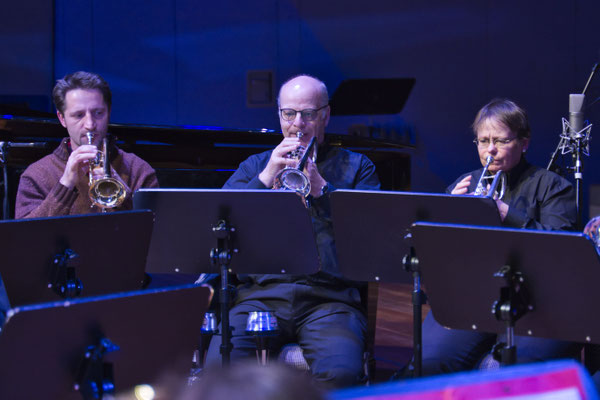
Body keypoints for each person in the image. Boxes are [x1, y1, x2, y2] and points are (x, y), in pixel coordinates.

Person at [205, 74, 380, 388]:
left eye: (308, 114)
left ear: (325, 115)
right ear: (279, 115)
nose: (298, 124)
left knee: (341, 374)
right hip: (261, 297)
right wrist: (266, 176)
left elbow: (371, 235)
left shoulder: (357, 168)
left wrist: (322, 190)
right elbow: (219, 221)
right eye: (289, 114)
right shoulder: (254, 166)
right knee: (219, 368)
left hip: (330, 301)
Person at [420, 98, 581, 375]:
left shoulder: (553, 187)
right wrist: (446, 212)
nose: (490, 150)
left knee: (507, 368)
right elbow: (434, 254)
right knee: (430, 361)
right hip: (473, 297)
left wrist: (507, 213)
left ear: (524, 142)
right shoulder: (464, 184)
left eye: (501, 141)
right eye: (483, 141)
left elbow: (560, 251)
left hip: (536, 304)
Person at [15, 71, 158, 218]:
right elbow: (26, 237)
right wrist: (65, 186)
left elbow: (157, 231)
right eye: (78, 115)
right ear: (62, 118)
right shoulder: (36, 175)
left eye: (98, 113)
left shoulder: (138, 169)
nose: (90, 125)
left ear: (108, 112)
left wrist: (122, 195)